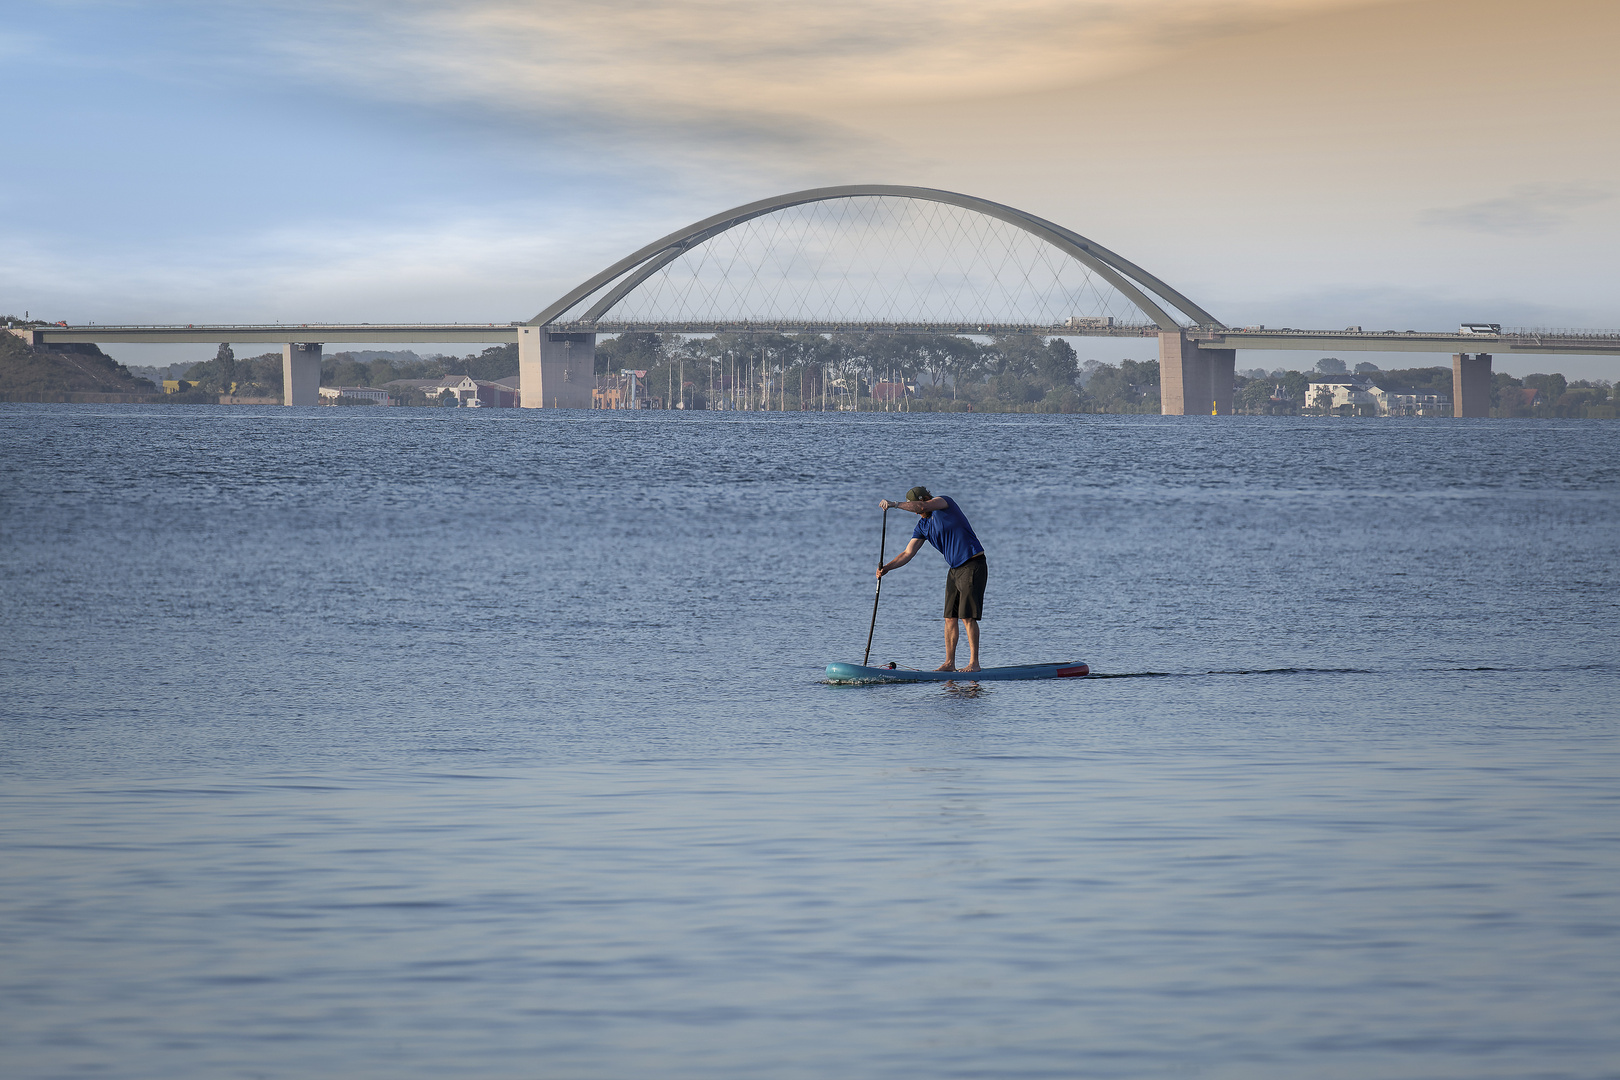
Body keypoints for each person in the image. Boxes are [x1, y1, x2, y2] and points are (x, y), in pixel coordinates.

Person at [876, 486, 987, 672]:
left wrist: (894, 504)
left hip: (973, 563)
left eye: (922, 501)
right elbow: (907, 553)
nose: (919, 509)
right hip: (954, 569)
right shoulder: (922, 527)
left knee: (967, 616)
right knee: (949, 618)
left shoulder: (944, 503)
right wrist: (887, 568)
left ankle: (974, 663)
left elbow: (921, 506)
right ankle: (949, 663)